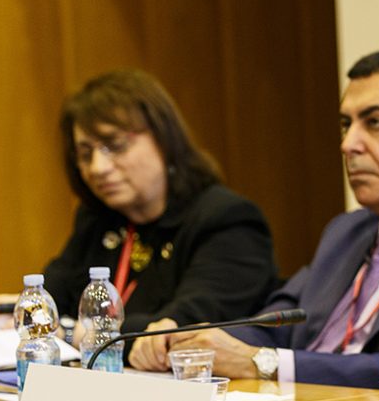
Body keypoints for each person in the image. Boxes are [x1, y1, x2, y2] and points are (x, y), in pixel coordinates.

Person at [129, 49, 379, 388]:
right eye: (346, 124)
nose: (348, 144)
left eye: (374, 123)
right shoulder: (347, 230)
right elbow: (276, 321)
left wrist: (263, 362)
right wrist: (194, 341)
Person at [42, 69, 278, 356]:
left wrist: (74, 333)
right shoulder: (97, 219)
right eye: (85, 154)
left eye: (115, 146)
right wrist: (20, 311)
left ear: (163, 138)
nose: (97, 168)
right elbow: (53, 297)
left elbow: (178, 331)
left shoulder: (227, 220)